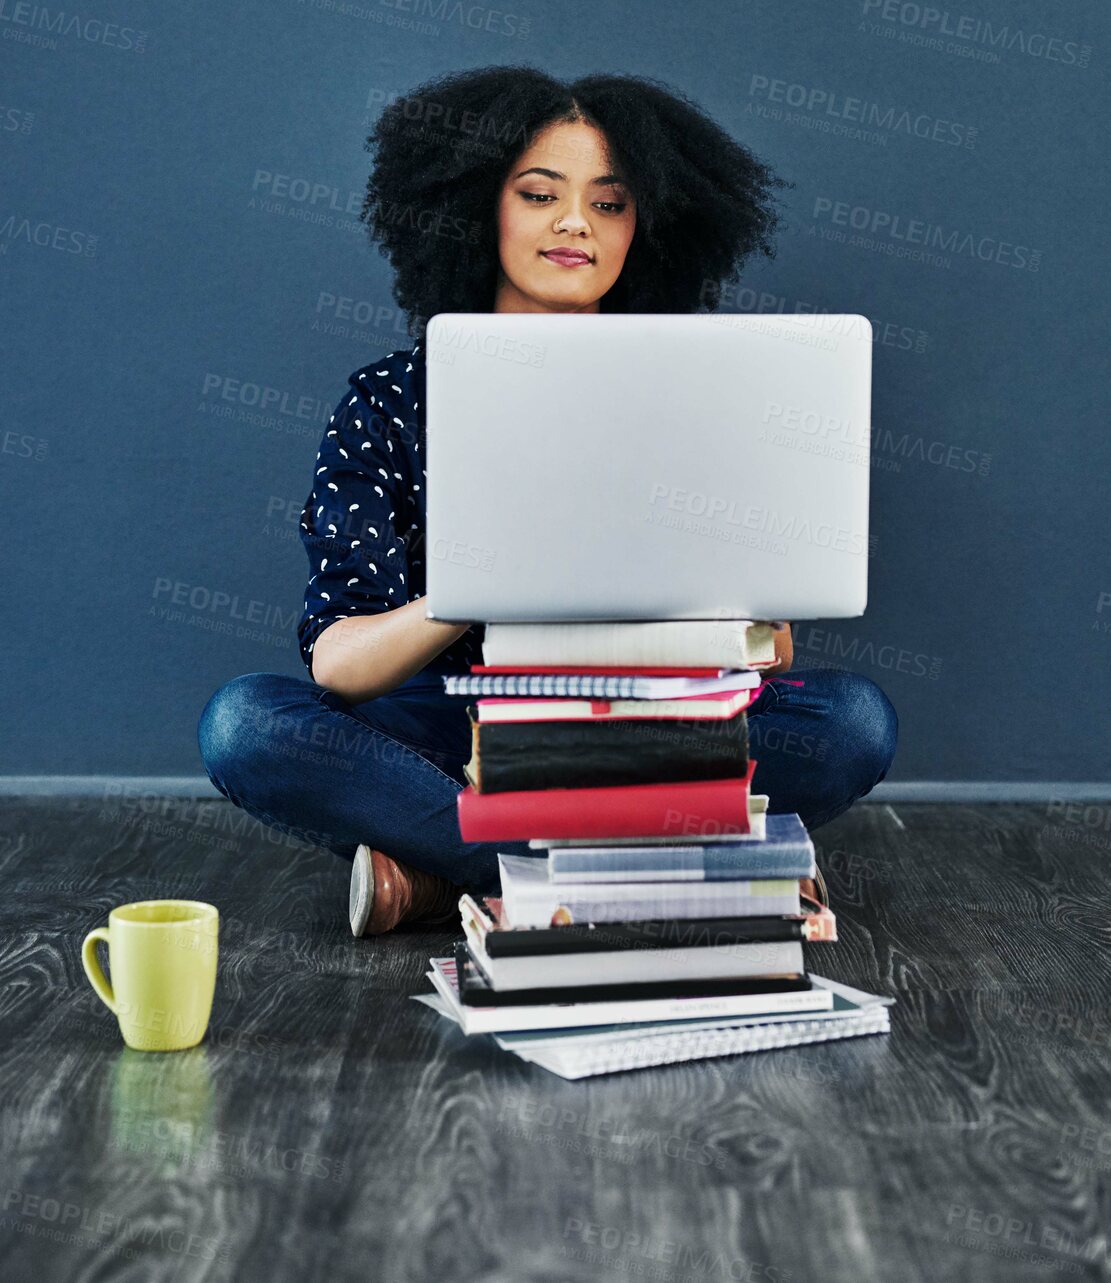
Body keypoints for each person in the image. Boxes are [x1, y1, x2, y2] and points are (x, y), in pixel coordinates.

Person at [197, 65, 897, 936]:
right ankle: (682, 876)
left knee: (852, 721)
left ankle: (444, 874)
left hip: (653, 728)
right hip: (456, 729)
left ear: (644, 228)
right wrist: (484, 582)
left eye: (609, 204)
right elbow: (339, 662)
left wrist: (723, 607)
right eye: (539, 194)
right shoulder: (386, 402)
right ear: (476, 210)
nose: (575, 223)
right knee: (246, 725)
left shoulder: (702, 391)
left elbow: (773, 651)